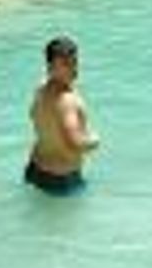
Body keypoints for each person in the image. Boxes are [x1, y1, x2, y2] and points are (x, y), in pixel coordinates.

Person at [24, 35, 100, 195]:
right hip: (60, 180)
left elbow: (33, 116)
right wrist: (94, 140)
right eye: (66, 64)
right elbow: (74, 143)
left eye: (74, 62)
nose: (73, 69)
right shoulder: (68, 101)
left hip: (34, 170)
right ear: (50, 67)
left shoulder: (41, 88)